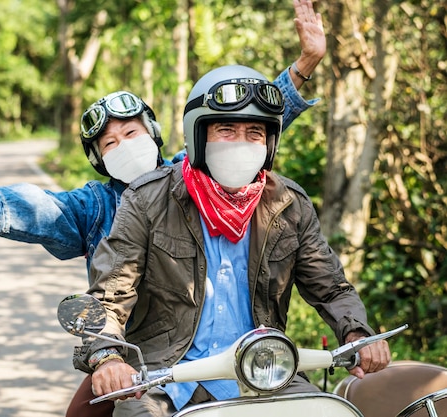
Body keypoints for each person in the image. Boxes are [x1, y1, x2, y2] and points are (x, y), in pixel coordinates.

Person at [0, 2, 326, 414]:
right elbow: (40, 208)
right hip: (130, 352)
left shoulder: (193, 176)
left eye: (132, 132)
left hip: (233, 349)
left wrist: (304, 66)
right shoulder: (95, 205)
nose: (124, 146)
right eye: (110, 143)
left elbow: (246, 123)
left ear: (157, 134)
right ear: (100, 159)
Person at [78, 63, 392, 417]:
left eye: (255, 132)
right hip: (168, 378)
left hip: (267, 371)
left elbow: (331, 287)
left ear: (269, 142)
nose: (242, 142)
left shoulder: (289, 204)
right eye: (226, 129)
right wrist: (107, 357)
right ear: (198, 136)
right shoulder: (146, 199)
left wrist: (357, 334)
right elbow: (110, 295)